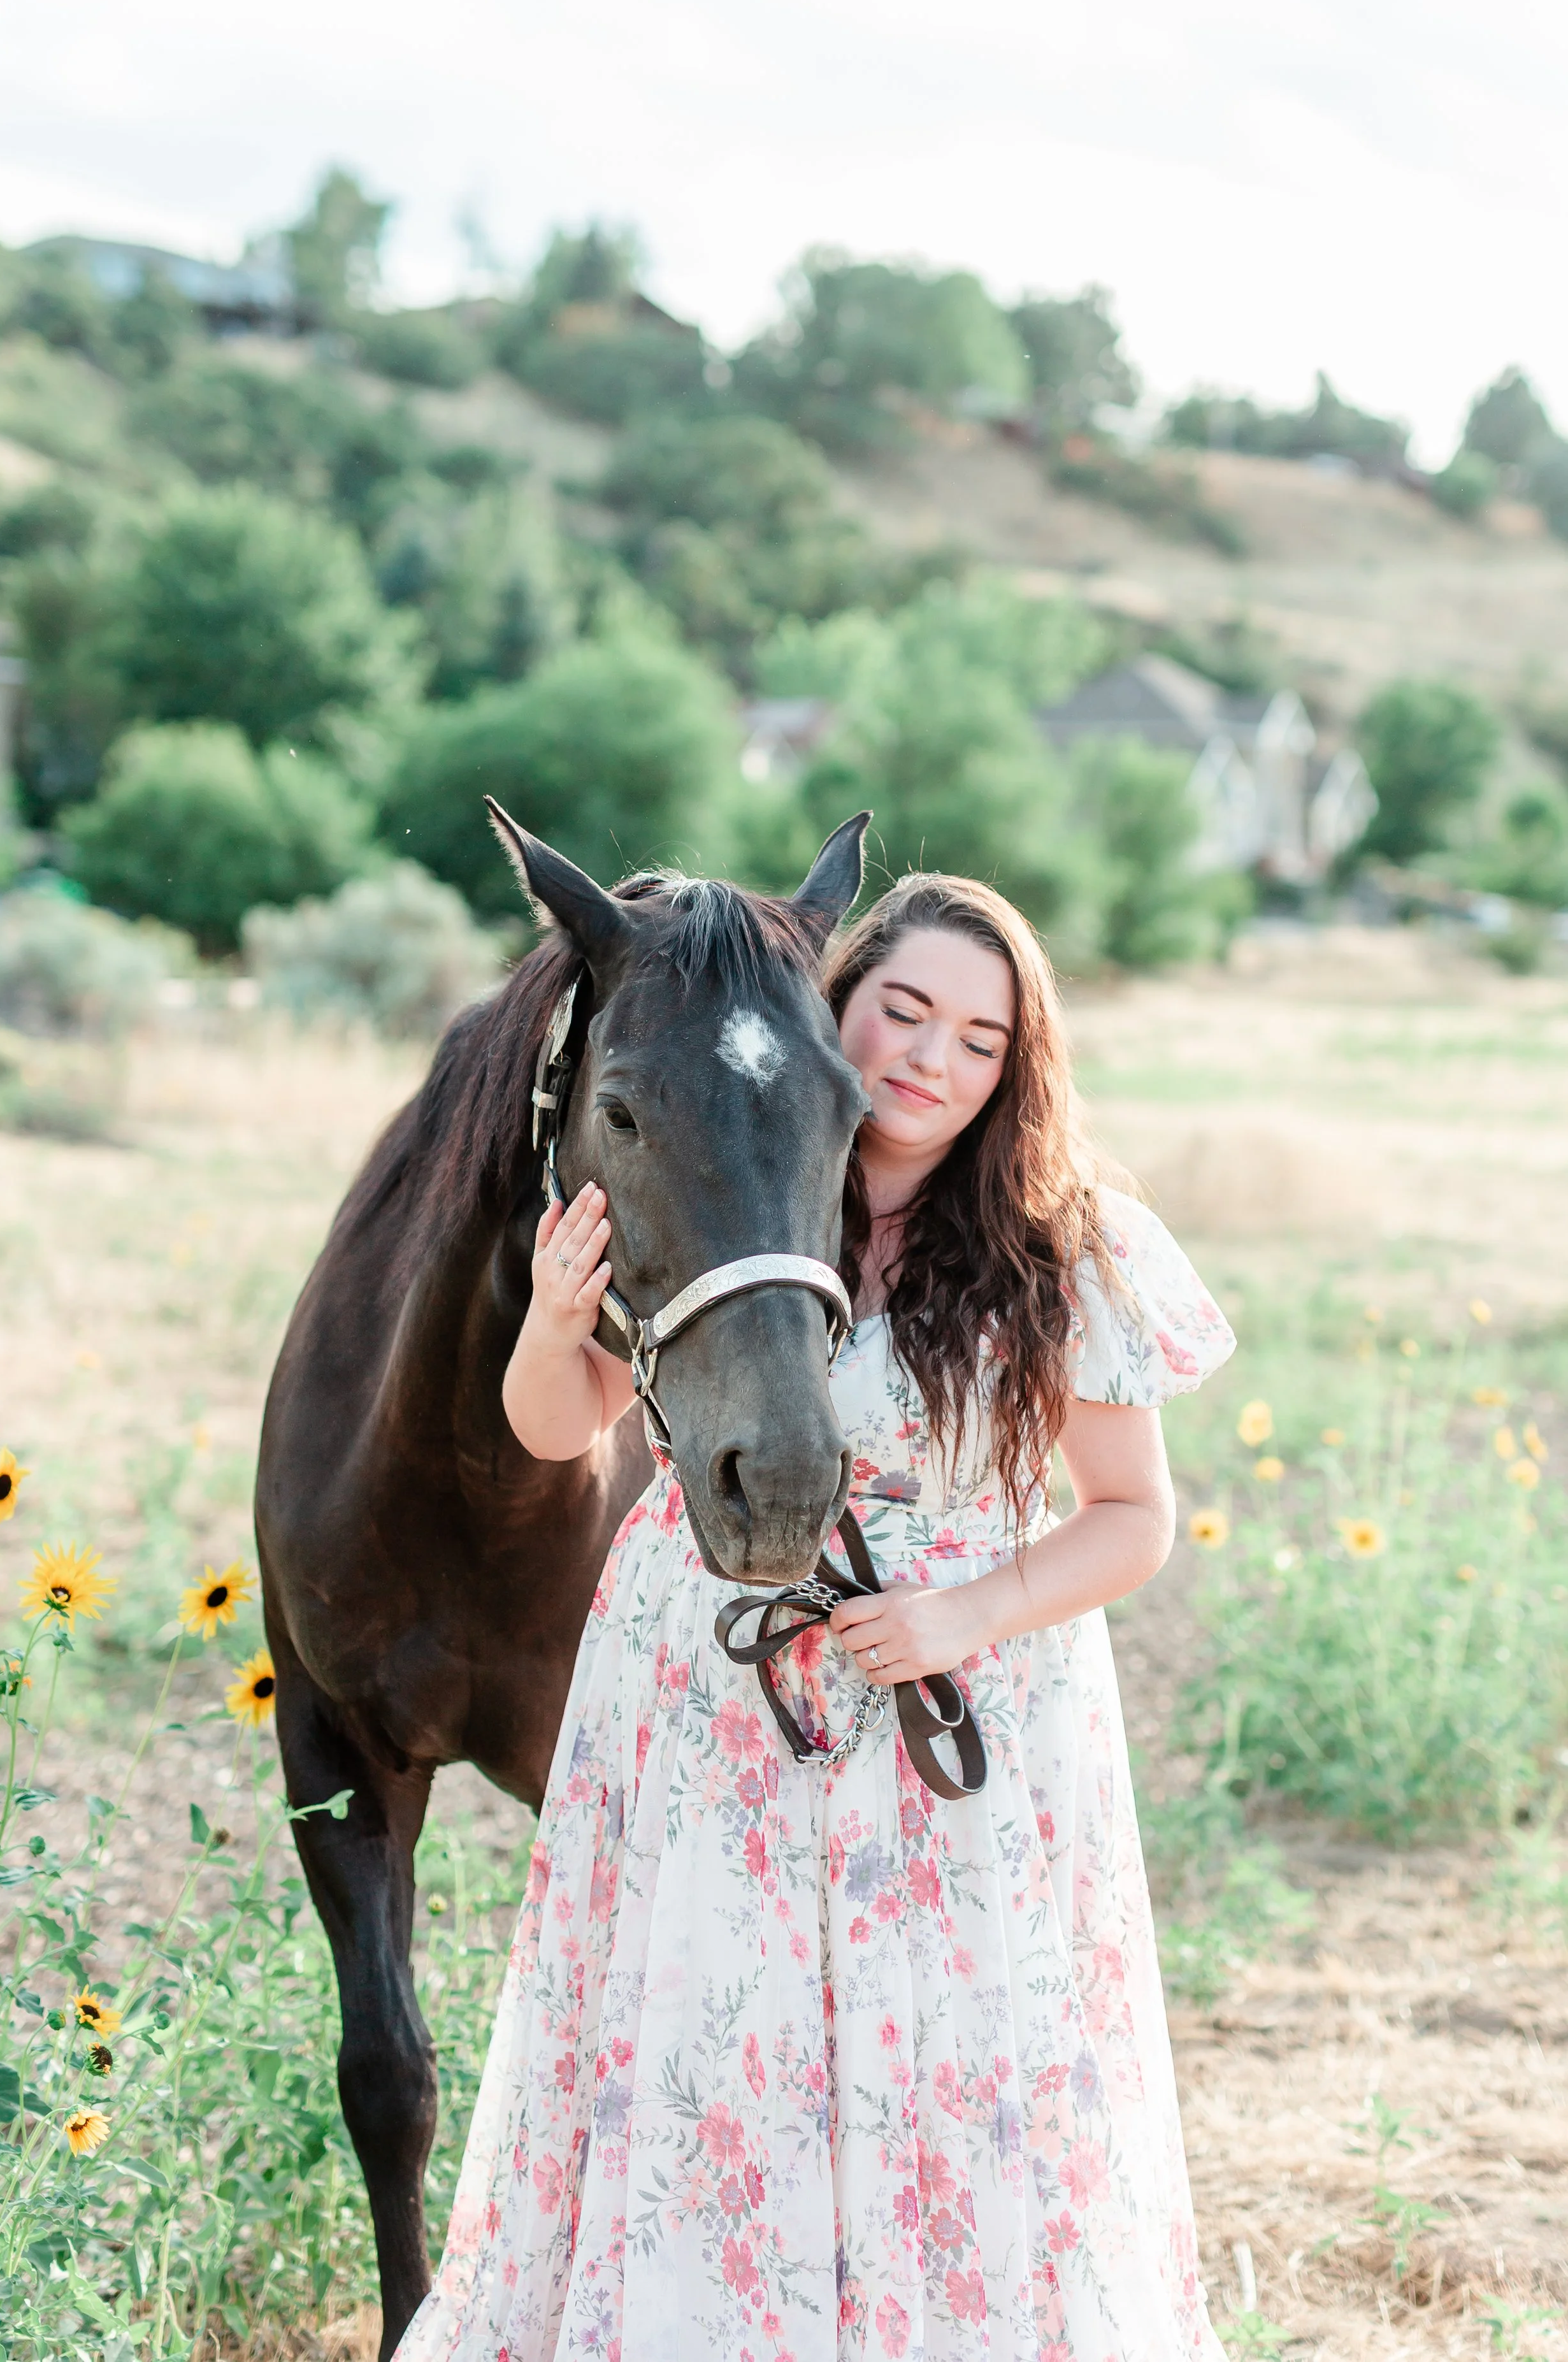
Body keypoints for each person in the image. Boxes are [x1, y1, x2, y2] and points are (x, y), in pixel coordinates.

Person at [396, 874, 1235, 2362]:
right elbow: (561, 1426)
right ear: (832, 1002)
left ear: (1016, 1066)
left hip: (946, 1711)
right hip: (712, 1703)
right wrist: (552, 1318)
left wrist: (960, 1614)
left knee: (946, 2067)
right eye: (900, 1010)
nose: (929, 1059)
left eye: (978, 1039)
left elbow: (1131, 1518)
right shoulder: (735, 1164)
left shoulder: (1061, 1243)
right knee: (718, 2050)